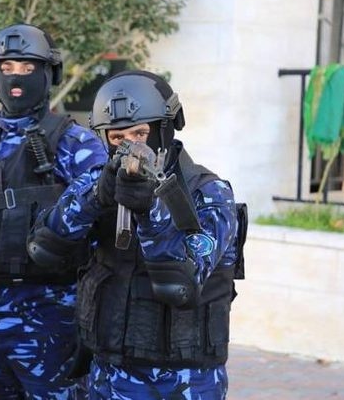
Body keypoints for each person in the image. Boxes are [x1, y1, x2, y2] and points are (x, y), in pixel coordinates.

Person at [28, 70, 240, 399]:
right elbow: (44, 247)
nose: (130, 146)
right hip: (108, 376)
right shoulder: (98, 181)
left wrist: (150, 210)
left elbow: (181, 284)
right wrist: (96, 197)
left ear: (165, 129)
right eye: (117, 137)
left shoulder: (208, 193)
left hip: (182, 382)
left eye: (140, 133)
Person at [0, 23, 107, 399]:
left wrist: (91, 323)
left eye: (28, 68)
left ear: (49, 74)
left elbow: (104, 235)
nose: (16, 78)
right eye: (6, 68)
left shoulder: (77, 144)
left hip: (50, 324)